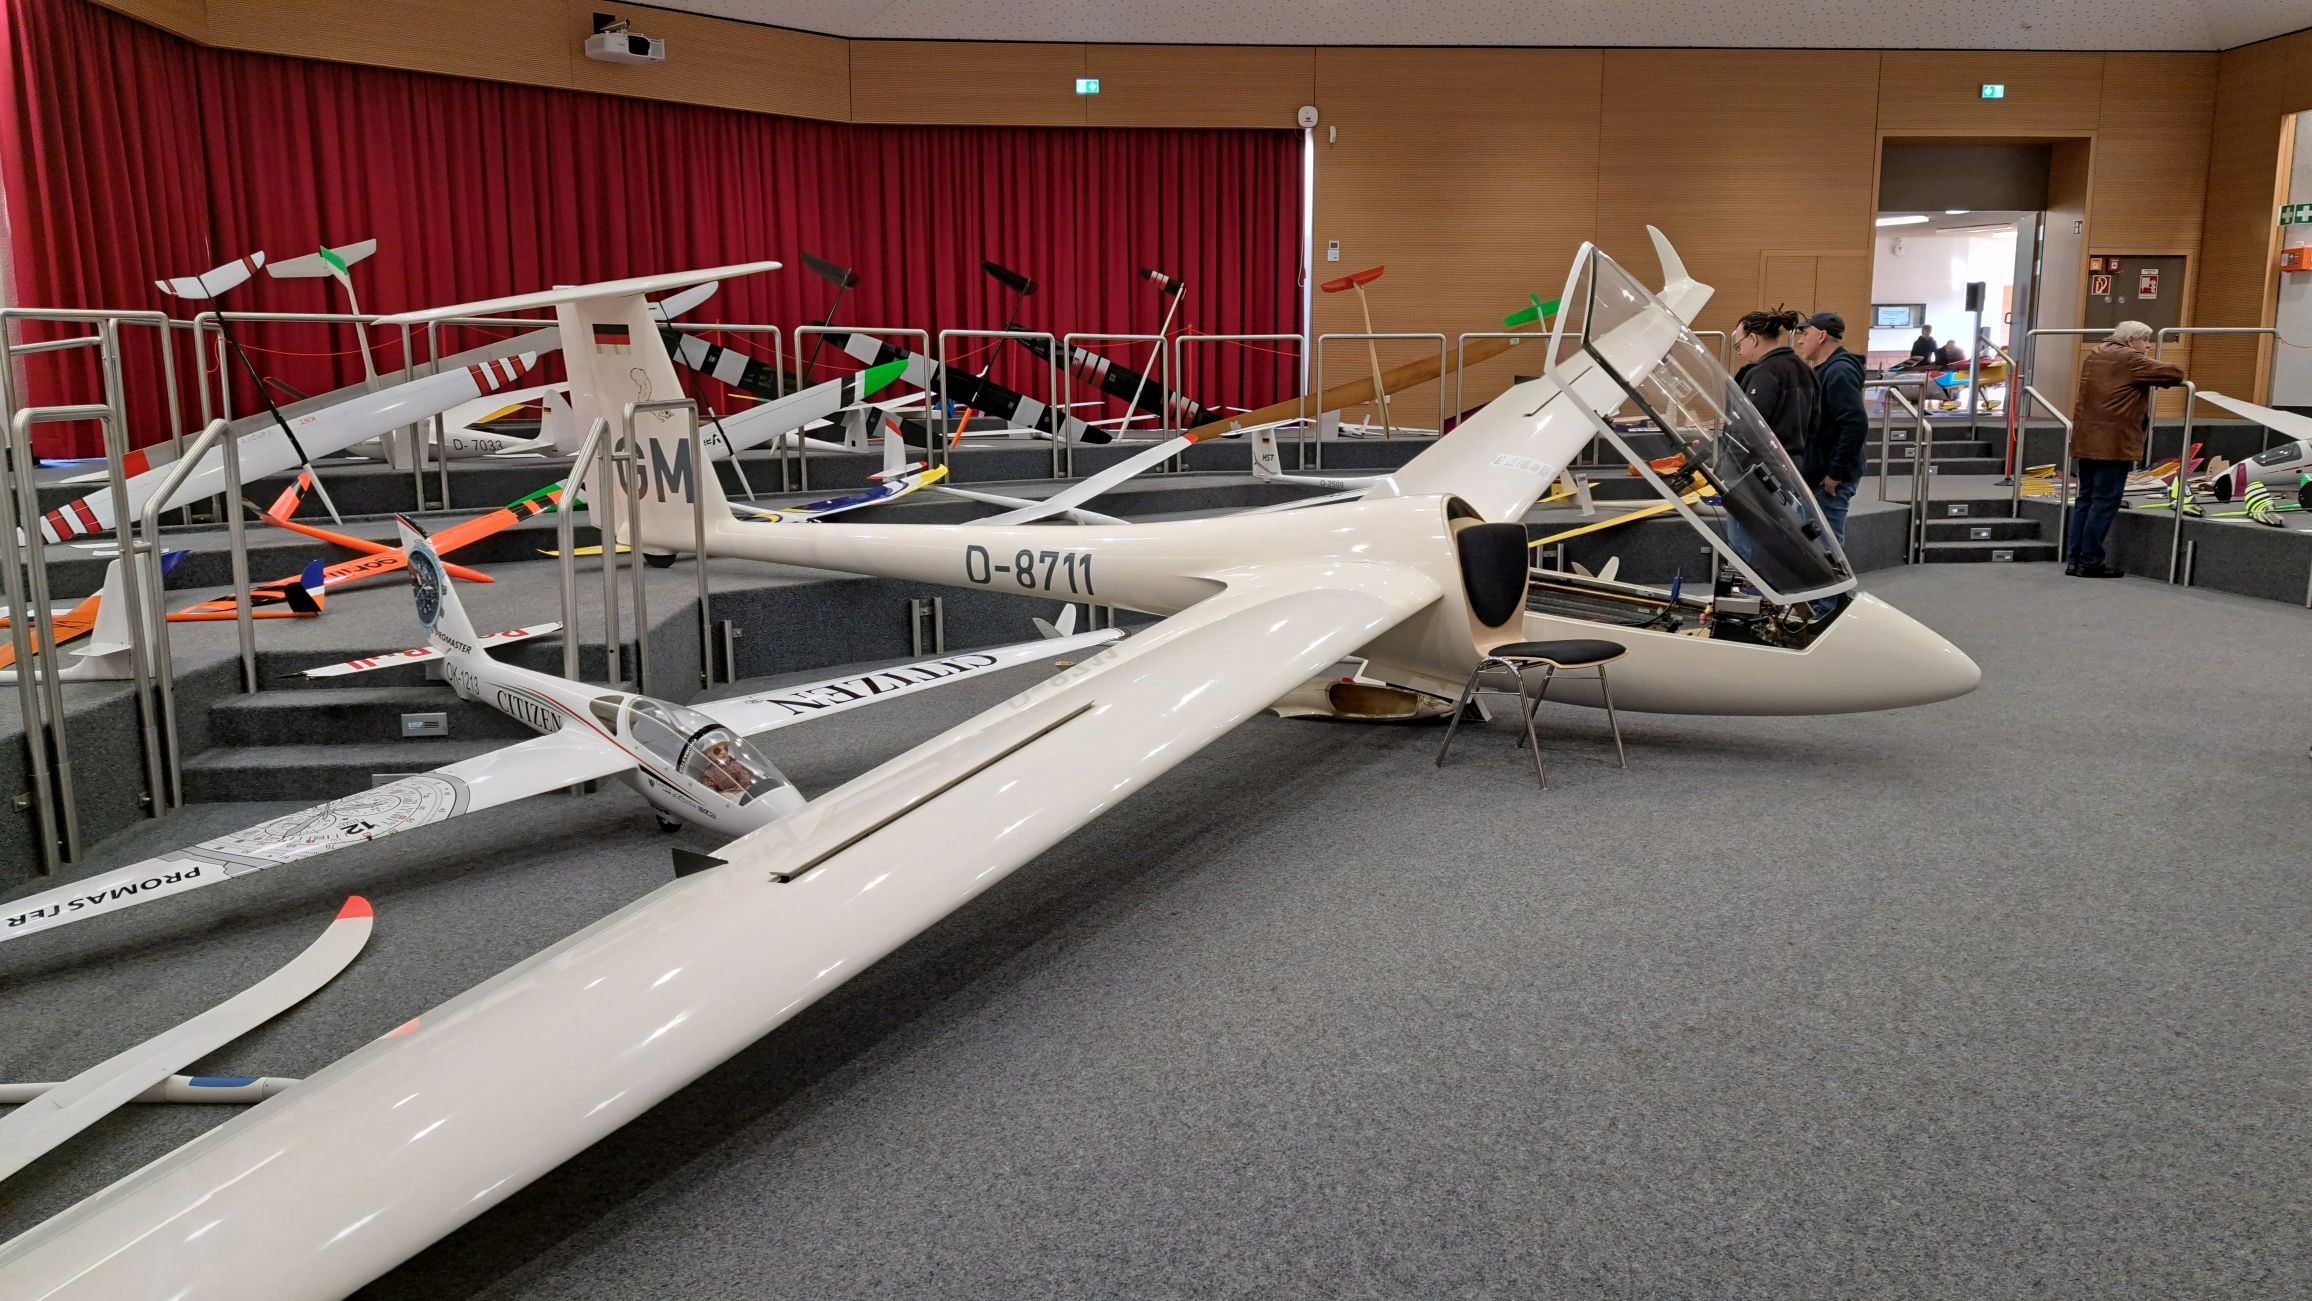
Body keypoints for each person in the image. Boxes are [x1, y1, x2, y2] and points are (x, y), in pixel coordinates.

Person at [2066, 320, 2186, 578]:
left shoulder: (2095, 353)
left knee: (2085, 499)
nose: (2148, 346)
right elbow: (2175, 373)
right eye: (2145, 340)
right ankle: (2090, 561)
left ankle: (2074, 560)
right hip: (2113, 443)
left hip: (2086, 439)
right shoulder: (2131, 358)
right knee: (2105, 501)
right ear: (2131, 340)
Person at [1793, 311, 1868, 540]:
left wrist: (1835, 473)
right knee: (1815, 544)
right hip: (1820, 472)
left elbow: (1855, 424)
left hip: (1830, 478)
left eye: (1805, 334)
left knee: (1826, 547)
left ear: (1822, 336)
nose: (1800, 341)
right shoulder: (1826, 370)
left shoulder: (1839, 371)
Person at [1730, 306, 1816, 457]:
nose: (1740, 352)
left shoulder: (1763, 374)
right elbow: (1816, 422)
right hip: (1799, 462)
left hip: (1766, 464)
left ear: (1753, 339)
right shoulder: (1806, 369)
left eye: (1739, 346)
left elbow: (1749, 430)